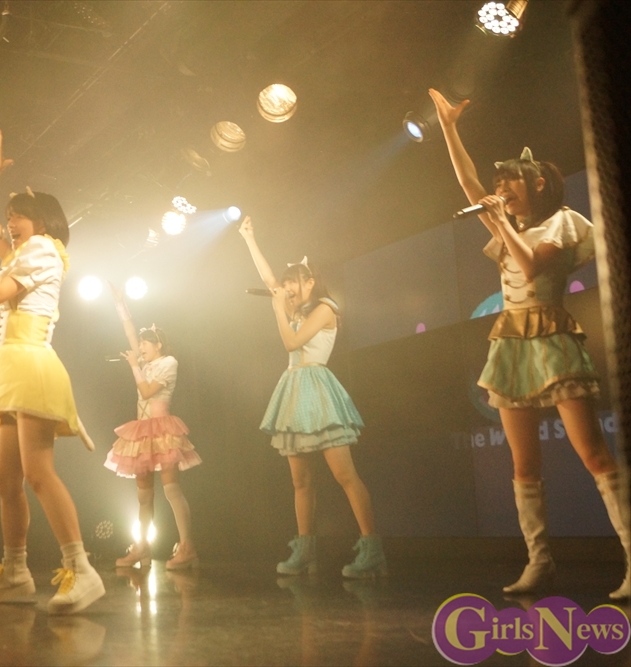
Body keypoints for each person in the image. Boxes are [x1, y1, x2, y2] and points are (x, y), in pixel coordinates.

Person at [429, 88, 629, 599]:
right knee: (523, 466)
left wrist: (499, 220)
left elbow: (531, 266)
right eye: (498, 184)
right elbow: (468, 182)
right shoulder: (506, 221)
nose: (499, 189)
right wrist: (449, 128)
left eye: (509, 181)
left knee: (594, 454)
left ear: (538, 183)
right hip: (512, 340)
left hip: (553, 336)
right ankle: (539, 562)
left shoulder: (561, 222)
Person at [0, 129, 105, 614]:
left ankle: (82, 570)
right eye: (9, 217)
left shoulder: (43, 249)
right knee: (6, 479)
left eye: (18, 216)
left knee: (38, 472)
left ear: (42, 222)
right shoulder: (22, 253)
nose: (9, 224)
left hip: (30, 361)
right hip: (12, 364)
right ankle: (16, 571)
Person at [239, 216, 386, 579]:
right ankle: (305, 549)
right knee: (300, 481)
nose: (286, 287)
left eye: (293, 281)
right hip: (293, 390)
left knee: (344, 474)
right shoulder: (296, 308)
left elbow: (292, 343)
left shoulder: (325, 308)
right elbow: (269, 282)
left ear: (310, 281)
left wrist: (278, 308)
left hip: (317, 389)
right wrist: (249, 239)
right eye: (286, 281)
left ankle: (372, 548)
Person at [104, 286, 202, 570]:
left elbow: (147, 392)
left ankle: (187, 546)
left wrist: (134, 366)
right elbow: (129, 332)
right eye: (140, 344)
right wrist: (120, 303)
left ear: (157, 345)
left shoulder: (169, 362)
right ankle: (142, 547)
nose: (140, 347)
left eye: (145, 344)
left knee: (171, 490)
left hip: (162, 430)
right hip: (141, 431)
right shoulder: (144, 362)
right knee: (144, 495)